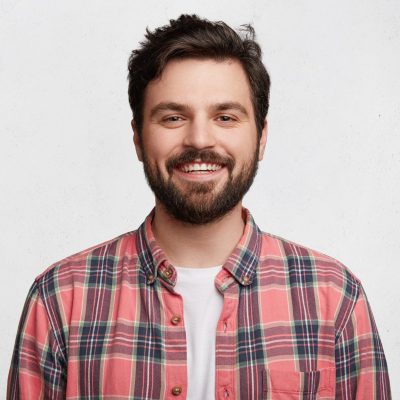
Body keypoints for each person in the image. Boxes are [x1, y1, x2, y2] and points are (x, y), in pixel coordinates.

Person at [7, 14, 391, 400]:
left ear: (261, 137)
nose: (200, 139)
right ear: (138, 138)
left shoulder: (335, 297)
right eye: (173, 117)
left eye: (225, 117)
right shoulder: (61, 298)